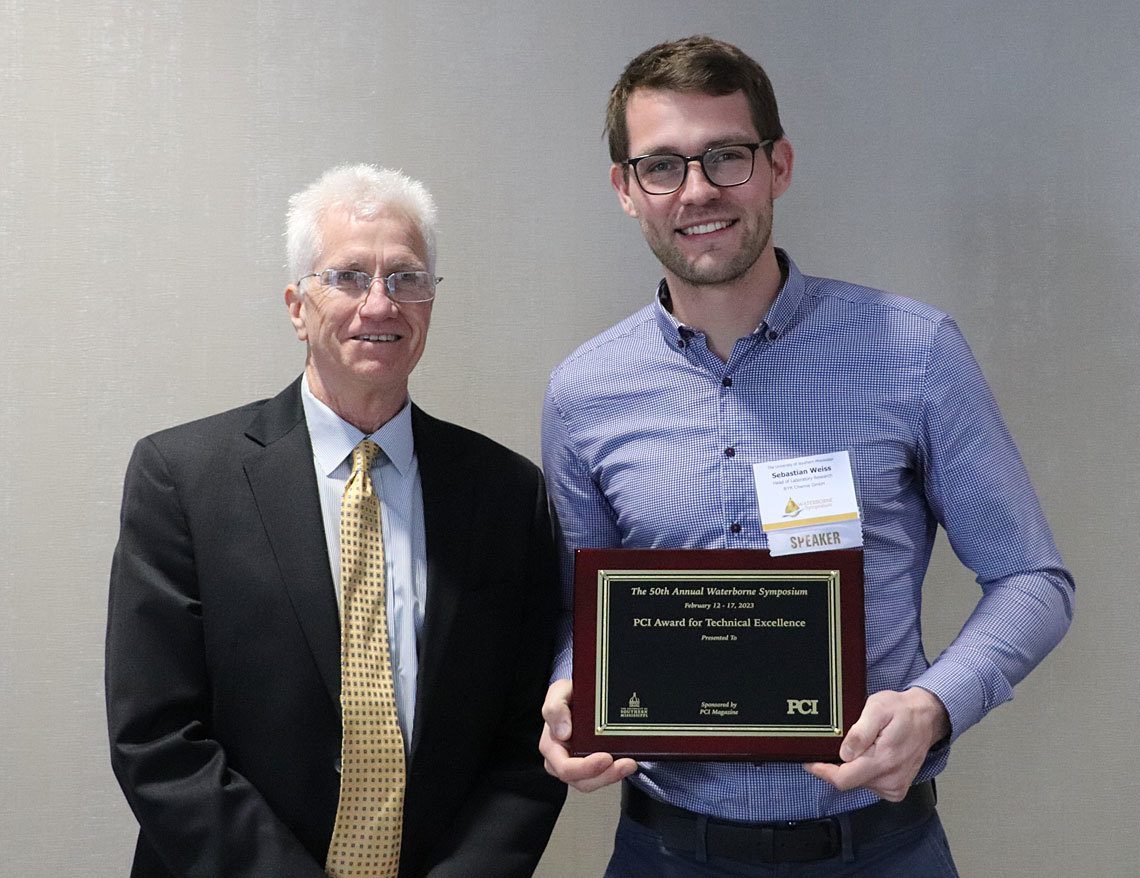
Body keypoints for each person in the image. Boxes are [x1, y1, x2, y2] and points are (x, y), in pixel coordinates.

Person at [539, 36, 1074, 876]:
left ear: (778, 164)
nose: (699, 190)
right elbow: (585, 610)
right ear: (625, 189)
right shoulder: (582, 392)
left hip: (876, 852)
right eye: (662, 166)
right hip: (663, 852)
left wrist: (934, 705)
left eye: (727, 156)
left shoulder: (912, 348)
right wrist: (573, 689)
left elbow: (1033, 580)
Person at [106, 164, 565, 877]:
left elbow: (523, 738)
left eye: (407, 278)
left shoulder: (507, 495)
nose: (380, 304)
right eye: (348, 276)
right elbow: (158, 737)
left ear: (431, 304)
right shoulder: (183, 479)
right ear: (298, 306)